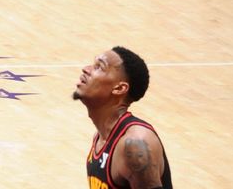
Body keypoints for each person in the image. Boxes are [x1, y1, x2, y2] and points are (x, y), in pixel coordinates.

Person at [74, 46, 173, 189]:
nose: (86, 69)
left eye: (99, 67)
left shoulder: (135, 144)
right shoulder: (101, 137)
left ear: (119, 88)